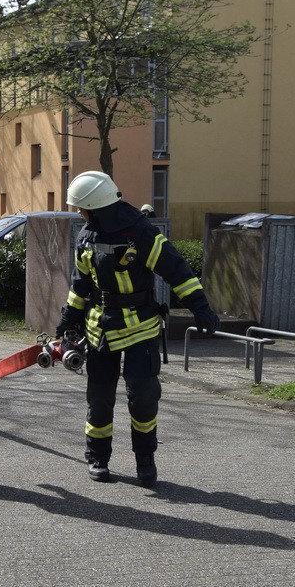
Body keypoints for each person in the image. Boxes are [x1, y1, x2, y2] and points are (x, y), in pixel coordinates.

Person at [55, 171, 219, 487]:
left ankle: (145, 460)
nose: (78, 214)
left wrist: (201, 308)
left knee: (143, 398)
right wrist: (68, 320)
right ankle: (98, 458)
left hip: (140, 329)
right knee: (99, 399)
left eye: (81, 208)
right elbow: (81, 285)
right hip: (100, 331)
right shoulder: (86, 236)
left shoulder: (141, 234)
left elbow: (177, 271)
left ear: (96, 207)